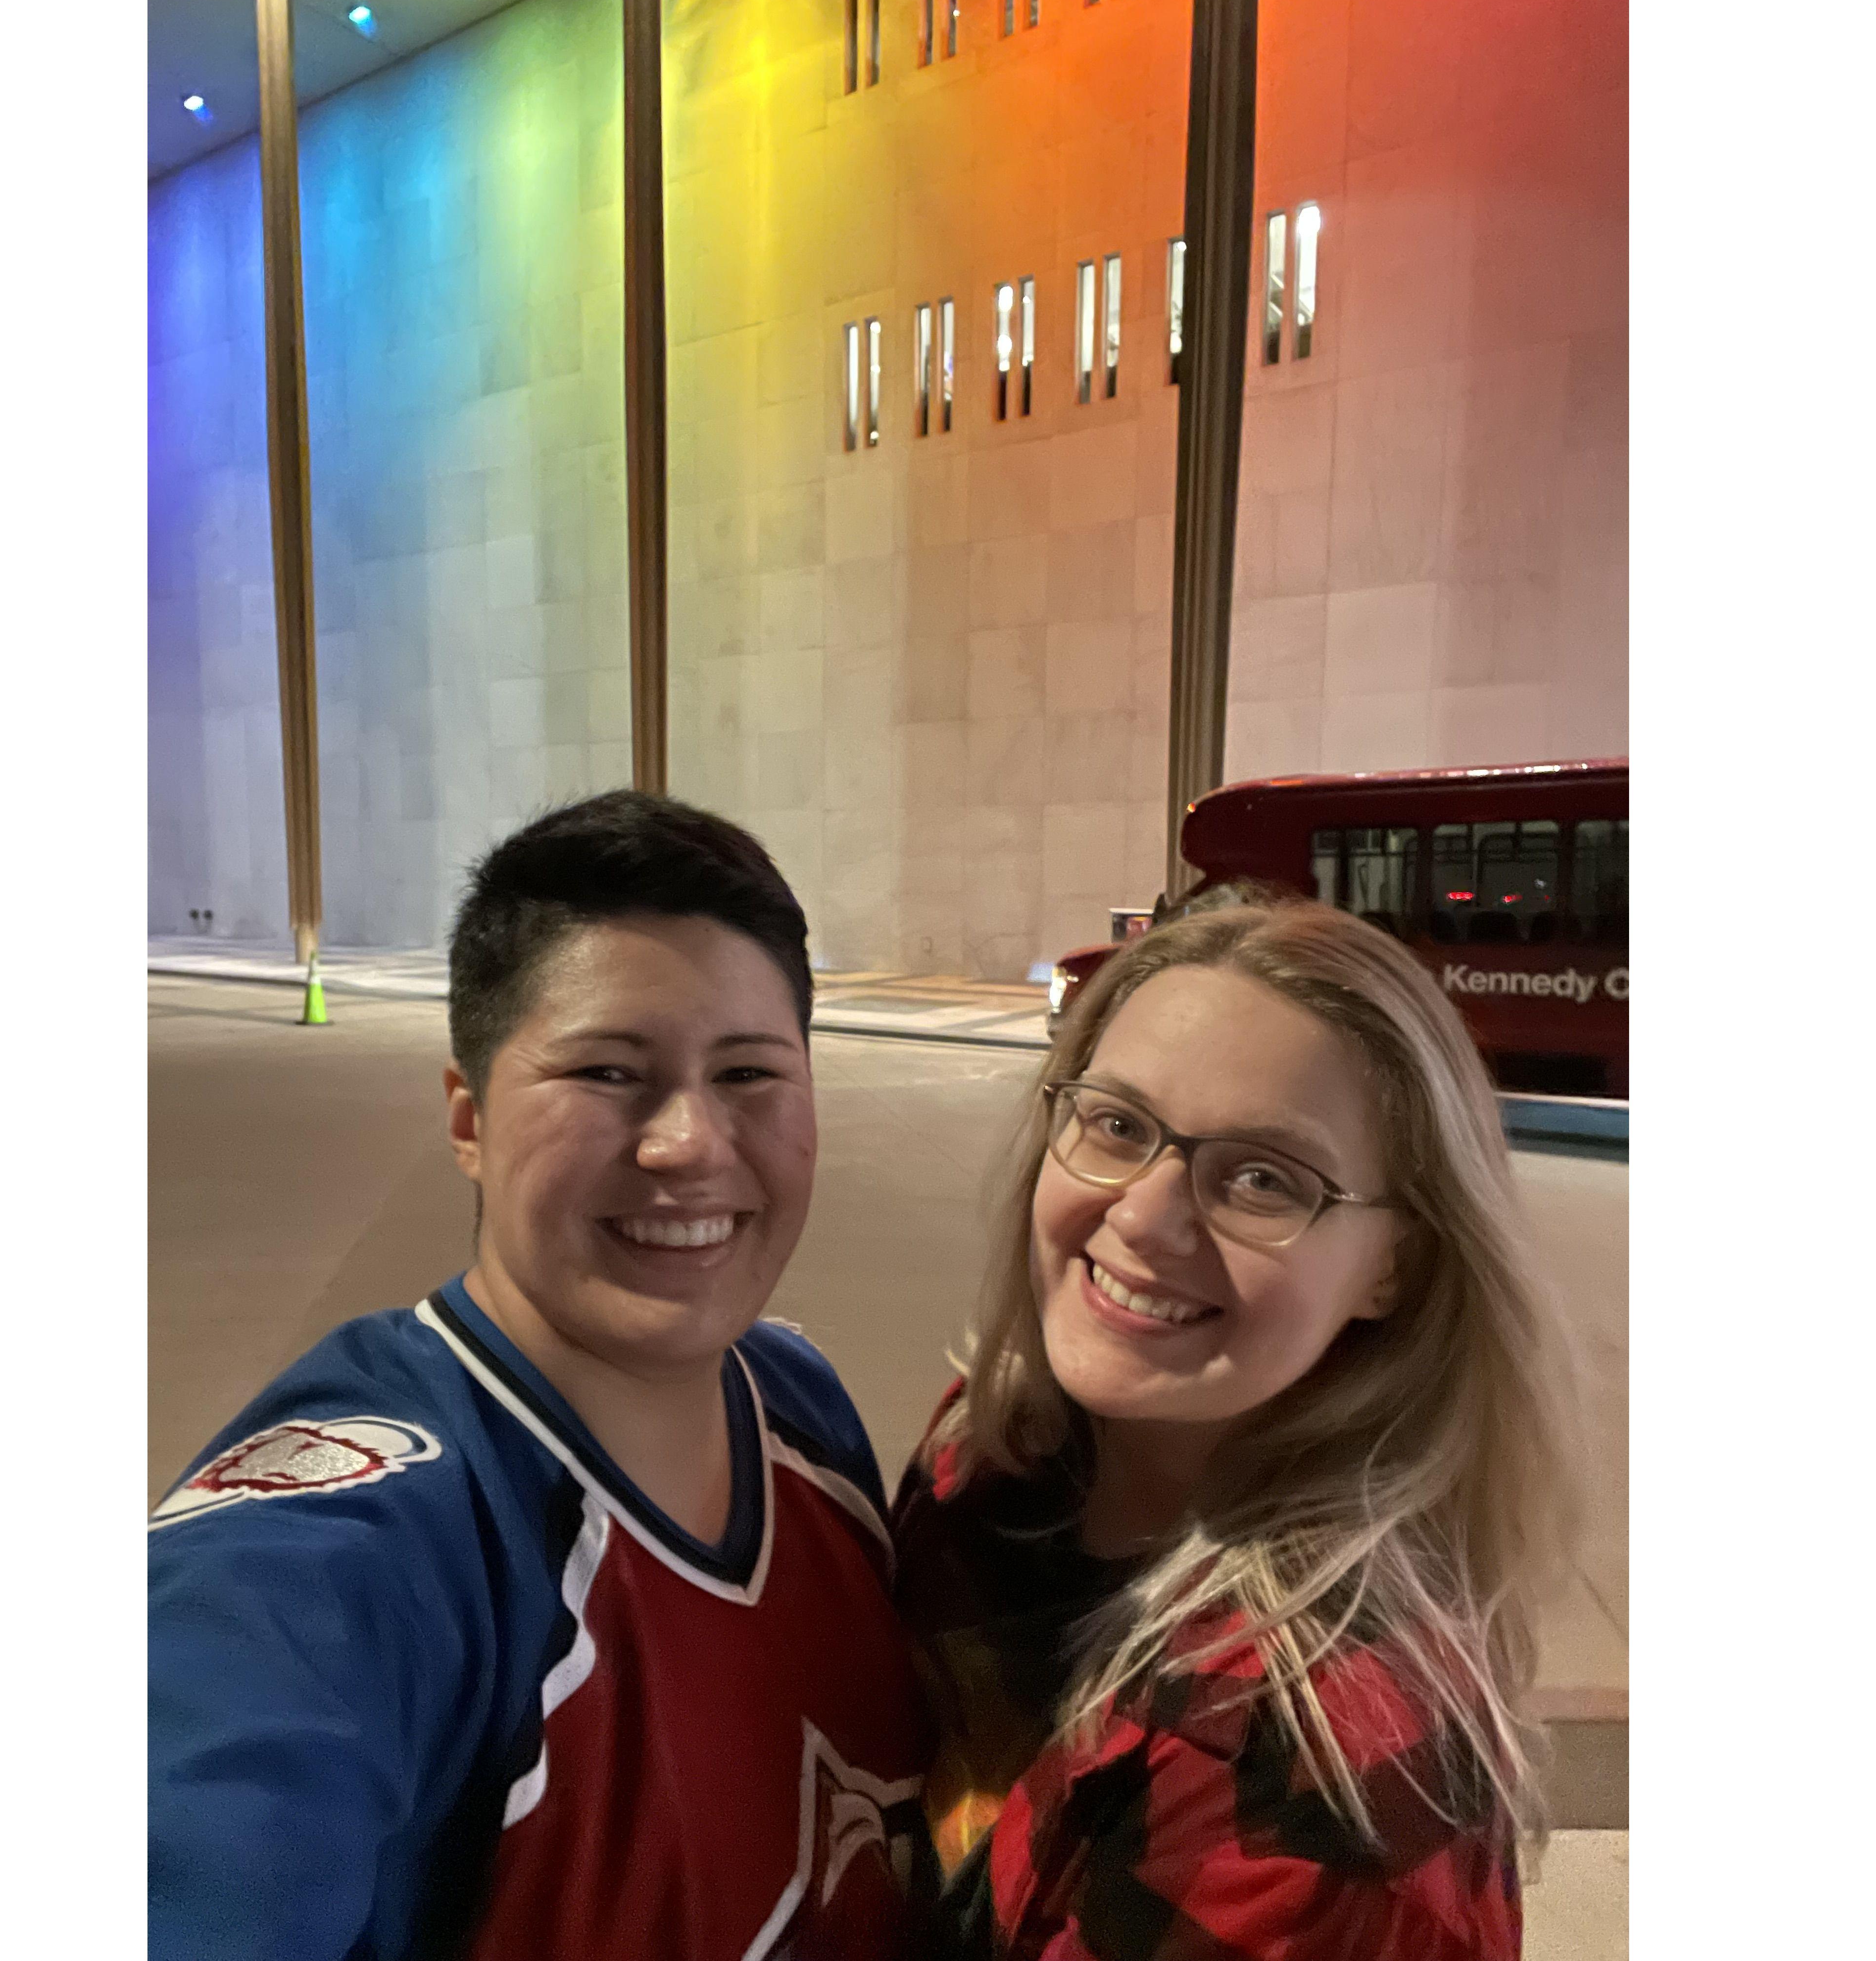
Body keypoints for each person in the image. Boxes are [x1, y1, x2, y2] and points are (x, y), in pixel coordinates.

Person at [150, 792, 934, 1961]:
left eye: (751, 1074)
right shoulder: (364, 1547)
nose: (689, 1143)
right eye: (610, 1073)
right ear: (469, 1118)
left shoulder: (797, 1402)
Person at [893, 894, 1581, 1960]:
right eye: (1117, 1125)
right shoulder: (986, 1462)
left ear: (1396, 1266)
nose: (1144, 1218)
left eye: (1265, 1180)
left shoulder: (1311, 1772)